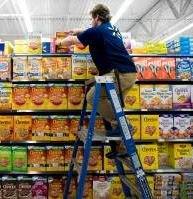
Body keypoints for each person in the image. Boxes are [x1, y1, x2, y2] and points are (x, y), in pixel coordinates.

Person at [56, 4, 137, 155]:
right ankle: (121, 149)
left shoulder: (96, 31)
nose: (90, 22)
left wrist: (59, 42)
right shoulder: (112, 29)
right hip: (128, 73)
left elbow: (72, 41)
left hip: (118, 74)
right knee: (112, 106)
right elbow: (93, 32)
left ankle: (125, 126)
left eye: (91, 19)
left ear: (97, 18)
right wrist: (81, 30)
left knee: (92, 97)